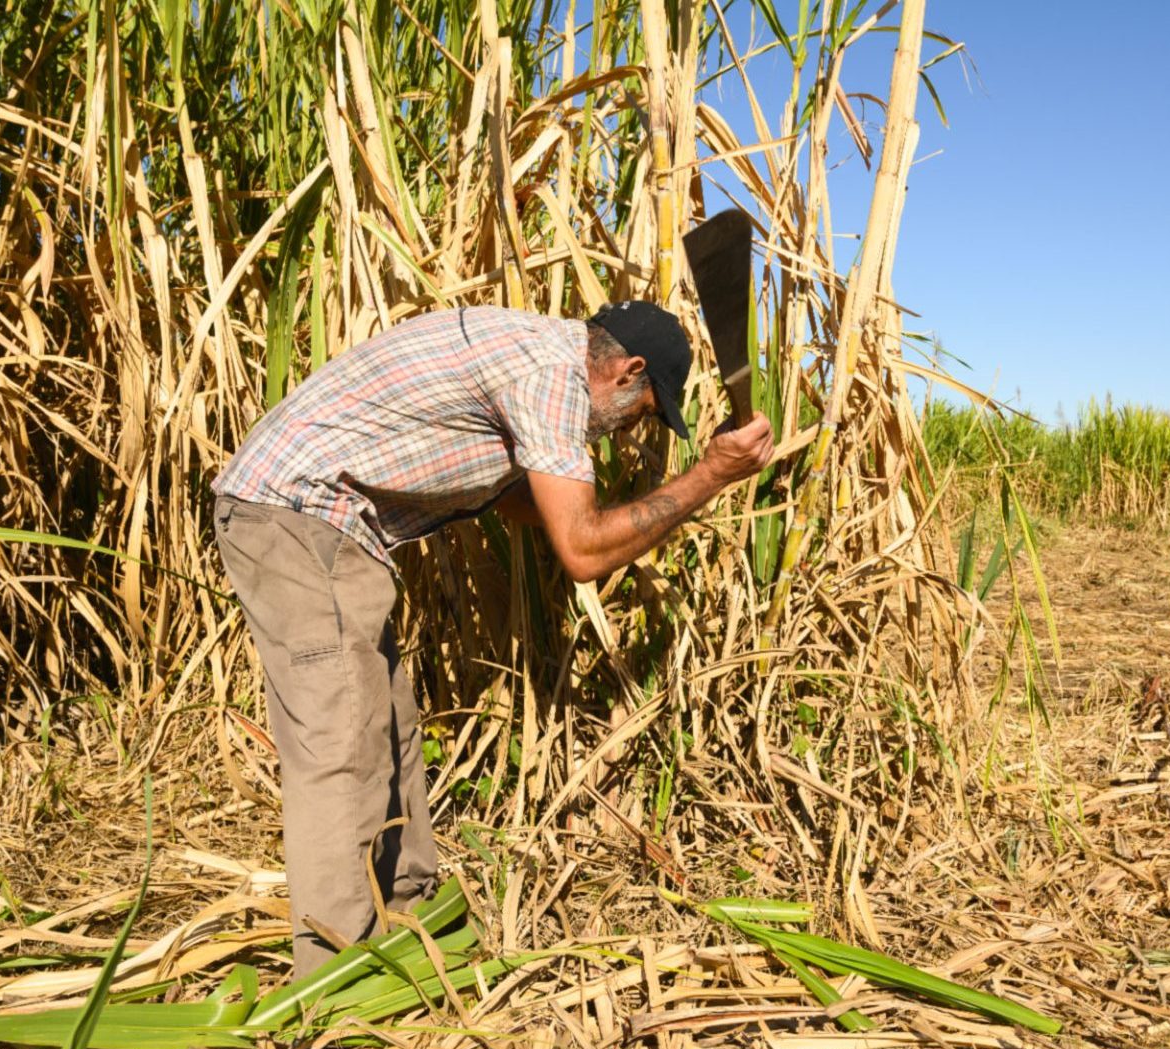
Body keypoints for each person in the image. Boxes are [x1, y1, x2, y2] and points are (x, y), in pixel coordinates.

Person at [210, 301, 774, 975]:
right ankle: (329, 978)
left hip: (336, 527)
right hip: (296, 514)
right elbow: (584, 554)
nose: (631, 432)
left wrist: (621, 505)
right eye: (647, 410)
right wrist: (710, 476)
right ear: (627, 371)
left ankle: (414, 916)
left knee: (388, 727)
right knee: (340, 744)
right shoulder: (549, 377)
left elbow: (522, 500)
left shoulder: (537, 362)